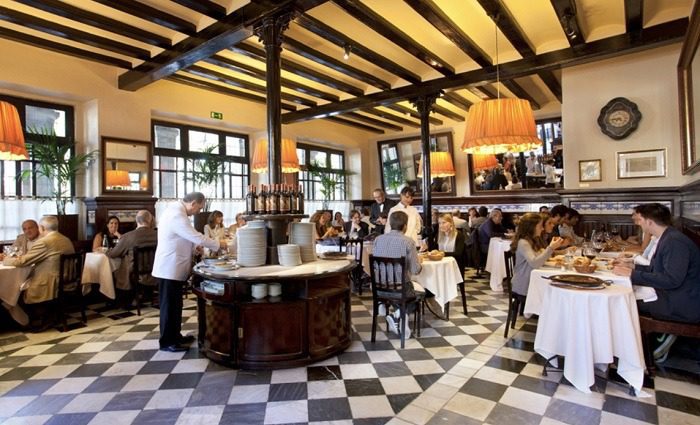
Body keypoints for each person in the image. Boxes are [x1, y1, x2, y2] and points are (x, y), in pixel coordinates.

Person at [613, 203, 700, 362]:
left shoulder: (674, 242)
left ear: (649, 222)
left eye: (640, 221)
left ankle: (630, 355)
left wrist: (633, 274)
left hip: (682, 304)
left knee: (623, 302)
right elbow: (657, 269)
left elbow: (671, 279)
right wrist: (633, 266)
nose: (638, 224)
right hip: (676, 296)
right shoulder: (668, 236)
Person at [152, 192, 228, 353]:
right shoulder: (176, 214)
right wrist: (219, 244)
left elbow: (184, 237)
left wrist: (195, 248)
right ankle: (167, 342)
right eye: (199, 208)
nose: (199, 211)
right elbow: (195, 236)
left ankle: (175, 336)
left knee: (176, 305)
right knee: (169, 306)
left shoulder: (179, 212)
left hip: (174, 267)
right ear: (193, 203)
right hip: (169, 268)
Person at [3, 216, 74, 327]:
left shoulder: (45, 242)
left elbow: (22, 261)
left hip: (50, 281)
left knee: (15, 287)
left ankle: (25, 320)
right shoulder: (65, 239)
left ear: (41, 228)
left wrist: (6, 260)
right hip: (66, 277)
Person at [372, 211, 424, 337]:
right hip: (401, 290)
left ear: (390, 224)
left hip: (379, 289)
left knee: (401, 294)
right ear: (405, 226)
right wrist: (419, 261)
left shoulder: (378, 240)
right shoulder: (408, 242)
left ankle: (397, 316)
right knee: (420, 294)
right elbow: (415, 270)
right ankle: (398, 316)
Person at [511, 213, 564, 297]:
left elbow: (540, 258)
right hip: (523, 285)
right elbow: (535, 263)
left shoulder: (533, 240)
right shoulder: (523, 243)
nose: (542, 229)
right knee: (553, 293)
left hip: (531, 280)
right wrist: (551, 248)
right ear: (531, 228)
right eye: (540, 226)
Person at [107, 210, 158, 291]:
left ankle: (122, 297)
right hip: (157, 274)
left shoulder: (128, 236)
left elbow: (113, 254)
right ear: (150, 220)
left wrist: (107, 251)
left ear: (136, 220)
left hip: (136, 276)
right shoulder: (158, 235)